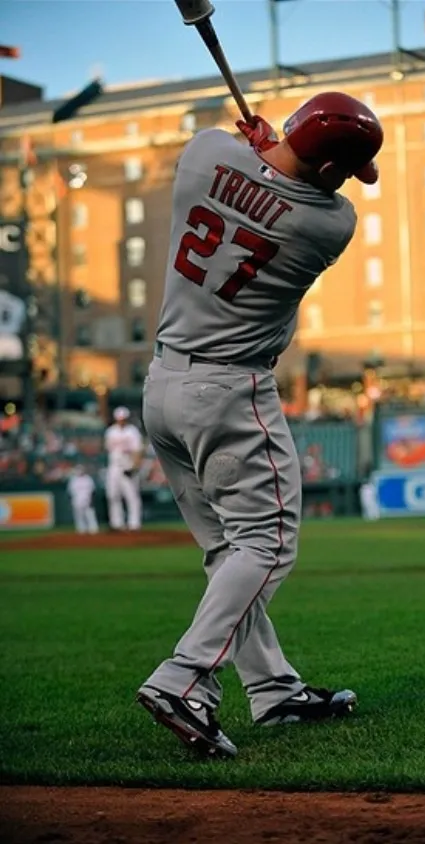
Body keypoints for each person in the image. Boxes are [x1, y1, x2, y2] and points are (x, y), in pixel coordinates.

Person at [137, 92, 384, 758]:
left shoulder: (203, 154)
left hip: (161, 384)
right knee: (268, 545)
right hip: (227, 390)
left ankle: (273, 691)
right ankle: (185, 678)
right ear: (331, 168)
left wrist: (262, 148)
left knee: (226, 551)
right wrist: (272, 154)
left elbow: (251, 166)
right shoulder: (329, 223)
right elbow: (299, 189)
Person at [104, 406, 143, 532]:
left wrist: (134, 467)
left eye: (123, 418)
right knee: (112, 495)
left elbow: (137, 450)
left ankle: (134, 524)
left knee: (131, 495)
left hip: (127, 464)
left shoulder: (132, 431)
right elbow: (108, 449)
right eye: (119, 418)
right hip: (114, 465)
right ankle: (116, 523)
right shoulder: (110, 431)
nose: (121, 420)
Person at [67, 465, 99, 535]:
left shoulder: (88, 479)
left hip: (87, 500)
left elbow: (92, 491)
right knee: (78, 516)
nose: (79, 472)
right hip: (77, 501)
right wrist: (71, 502)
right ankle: (81, 529)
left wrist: (91, 500)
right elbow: (70, 492)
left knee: (90, 515)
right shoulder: (73, 480)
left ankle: (93, 529)